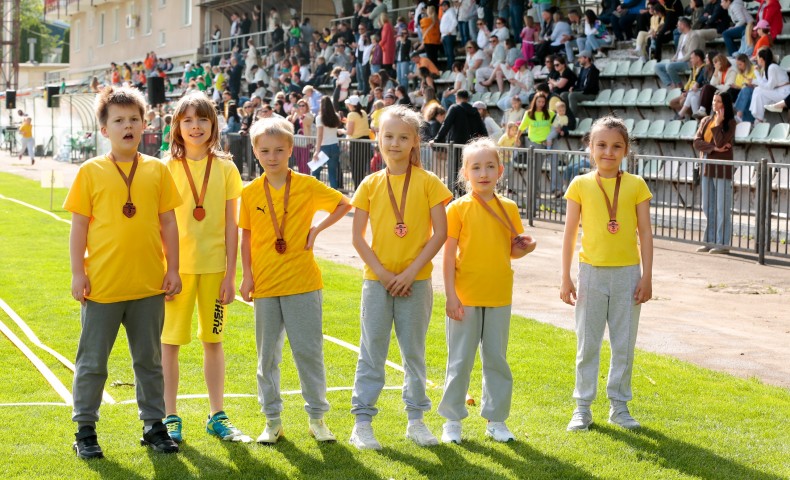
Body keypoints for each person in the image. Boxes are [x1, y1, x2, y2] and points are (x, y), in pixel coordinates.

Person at [66, 87, 182, 459]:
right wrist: (76, 273)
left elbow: (168, 223)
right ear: (104, 130)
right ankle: (85, 428)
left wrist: (174, 268)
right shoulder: (90, 171)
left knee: (149, 361)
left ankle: (153, 424)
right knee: (92, 362)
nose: (127, 126)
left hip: (148, 284)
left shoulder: (157, 169)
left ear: (145, 124)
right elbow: (79, 227)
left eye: (134, 119)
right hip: (102, 286)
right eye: (118, 120)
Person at [239, 117, 352, 445]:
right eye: (265, 151)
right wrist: (247, 276)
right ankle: (272, 420)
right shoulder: (248, 193)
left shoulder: (305, 184)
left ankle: (317, 418)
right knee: (267, 357)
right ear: (255, 152)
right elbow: (245, 238)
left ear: (291, 149)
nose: (272, 156)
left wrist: (316, 229)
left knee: (308, 352)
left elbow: (344, 204)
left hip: (303, 283)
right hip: (265, 285)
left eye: (278, 150)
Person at [349, 105, 453, 450]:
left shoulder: (429, 182)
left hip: (416, 282)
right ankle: (362, 422)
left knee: (414, 352)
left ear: (414, 142)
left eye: (402, 137)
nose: (394, 143)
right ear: (377, 138)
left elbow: (440, 233)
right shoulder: (369, 183)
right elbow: (357, 237)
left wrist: (409, 273)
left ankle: (416, 420)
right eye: (388, 136)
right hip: (376, 282)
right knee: (371, 351)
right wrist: (382, 273)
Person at [159, 92, 248, 444]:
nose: (195, 126)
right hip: (175, 272)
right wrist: (166, 269)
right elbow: (157, 223)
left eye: (203, 120)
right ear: (177, 127)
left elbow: (231, 225)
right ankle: (169, 416)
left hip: (214, 271)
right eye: (188, 120)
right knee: (170, 344)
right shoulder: (165, 168)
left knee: (213, 340)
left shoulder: (226, 168)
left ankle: (216, 414)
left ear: (214, 125)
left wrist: (231, 275)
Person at [438, 138, 536, 445]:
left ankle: (497, 419)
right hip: (465, 298)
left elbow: (511, 250)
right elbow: (447, 256)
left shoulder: (509, 208)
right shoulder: (456, 209)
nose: (483, 173)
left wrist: (526, 248)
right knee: (460, 361)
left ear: (500, 171)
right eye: (476, 167)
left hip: (499, 296)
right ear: (465, 172)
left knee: (496, 360)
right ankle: (452, 421)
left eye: (490, 166)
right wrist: (451, 296)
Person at [560, 116, 654, 432]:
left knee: (623, 343)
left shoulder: (636, 185)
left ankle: (619, 407)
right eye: (601, 145)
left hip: (628, 274)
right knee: (587, 343)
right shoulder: (580, 184)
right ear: (590, 148)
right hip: (591, 273)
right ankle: (582, 407)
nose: (608, 152)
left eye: (616, 146)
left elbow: (645, 233)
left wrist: (647, 276)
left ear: (626, 150)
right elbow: (569, 233)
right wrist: (565, 276)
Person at [694, 92, 736, 255]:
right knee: (708, 206)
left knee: (721, 207)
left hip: (722, 170)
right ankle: (709, 241)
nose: (715, 104)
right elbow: (696, 142)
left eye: (718, 101)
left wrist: (718, 123)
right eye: (713, 101)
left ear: (725, 105)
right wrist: (713, 149)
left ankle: (722, 244)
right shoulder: (705, 120)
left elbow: (721, 141)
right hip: (707, 168)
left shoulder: (730, 123)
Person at [654, 17, 707, 89]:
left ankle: (680, 86)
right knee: (657, 66)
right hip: (677, 61)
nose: (677, 27)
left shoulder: (694, 35)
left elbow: (691, 53)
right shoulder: (681, 36)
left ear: (683, 25)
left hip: (687, 62)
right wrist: (673, 59)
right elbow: (678, 51)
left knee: (670, 66)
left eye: (678, 25)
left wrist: (679, 60)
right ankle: (671, 85)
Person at [750, 48, 790, 123]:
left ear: (761, 59)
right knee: (758, 90)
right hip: (778, 91)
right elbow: (764, 83)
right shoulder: (767, 67)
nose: (757, 60)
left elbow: (768, 87)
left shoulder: (772, 67)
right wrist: (752, 81)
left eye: (757, 58)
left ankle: (759, 119)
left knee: (758, 90)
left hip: (785, 93)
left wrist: (756, 73)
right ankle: (759, 119)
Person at [312, 96, 342, 189]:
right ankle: (335, 196)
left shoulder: (319, 118)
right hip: (335, 146)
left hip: (324, 147)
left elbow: (320, 135)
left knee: (315, 171)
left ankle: (317, 191)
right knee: (332, 173)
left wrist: (316, 151)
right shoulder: (336, 116)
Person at [345, 95, 372, 190]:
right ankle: (362, 189)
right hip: (366, 141)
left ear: (352, 105)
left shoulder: (351, 114)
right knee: (362, 167)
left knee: (356, 168)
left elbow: (349, 132)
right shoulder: (363, 112)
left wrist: (341, 131)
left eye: (349, 104)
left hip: (356, 143)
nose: (347, 105)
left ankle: (358, 189)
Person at [561, 50, 599, 116]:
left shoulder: (593, 70)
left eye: (580, 58)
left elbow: (588, 88)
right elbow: (579, 83)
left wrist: (575, 91)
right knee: (563, 94)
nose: (578, 60)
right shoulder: (582, 69)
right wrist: (573, 88)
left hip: (590, 94)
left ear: (586, 58)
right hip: (582, 92)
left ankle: (571, 118)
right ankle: (565, 116)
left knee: (572, 95)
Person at [439, 1, 458, 70]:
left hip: (449, 35)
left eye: (443, 6)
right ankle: (449, 66)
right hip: (445, 35)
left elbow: (455, 21)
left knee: (450, 53)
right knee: (447, 53)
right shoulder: (446, 13)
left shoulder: (450, 11)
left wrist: (450, 31)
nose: (442, 7)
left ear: (446, 6)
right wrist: (442, 36)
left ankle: (451, 67)